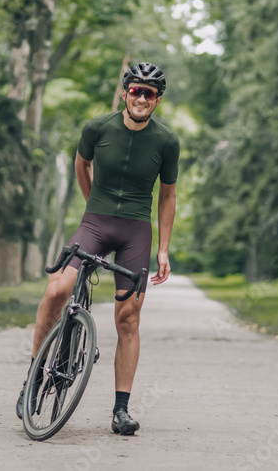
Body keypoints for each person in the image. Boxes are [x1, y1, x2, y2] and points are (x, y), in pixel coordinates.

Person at [15, 62, 179, 435]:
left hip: (135, 230)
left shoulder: (167, 141)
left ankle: (121, 410)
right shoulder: (96, 128)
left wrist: (164, 250)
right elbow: (81, 164)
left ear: (157, 101)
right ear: (125, 92)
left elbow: (168, 196)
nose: (140, 98)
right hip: (95, 223)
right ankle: (33, 379)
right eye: (135, 90)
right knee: (57, 288)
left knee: (128, 318)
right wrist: (93, 206)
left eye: (148, 93)